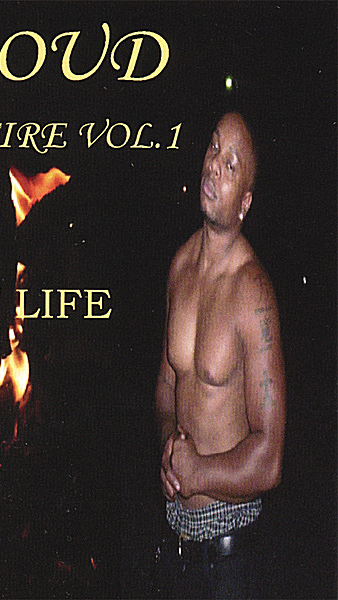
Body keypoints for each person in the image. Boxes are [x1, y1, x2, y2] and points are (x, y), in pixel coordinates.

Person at [154, 112, 285, 599]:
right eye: (213, 148)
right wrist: (168, 451)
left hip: (231, 561)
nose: (213, 165)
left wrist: (199, 473)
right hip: (175, 545)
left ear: (245, 202)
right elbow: (167, 386)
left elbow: (269, 457)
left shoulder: (254, 293)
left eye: (231, 165)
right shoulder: (179, 266)